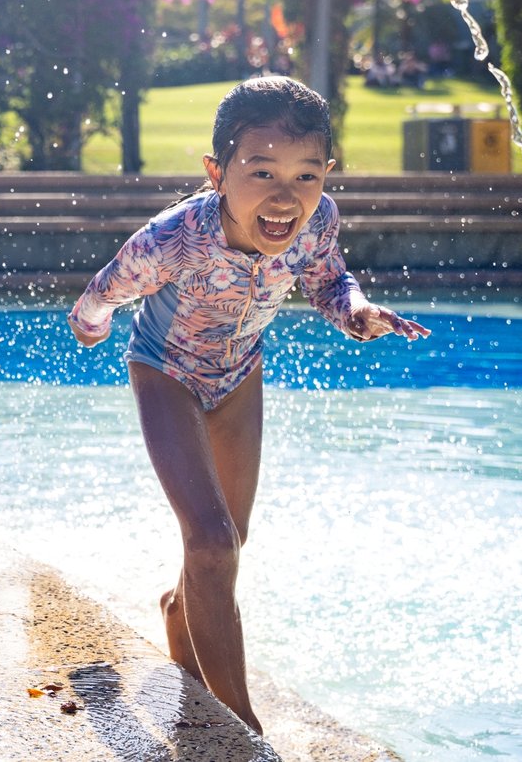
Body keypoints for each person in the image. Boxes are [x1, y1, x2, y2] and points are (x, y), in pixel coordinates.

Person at [67, 76, 428, 734]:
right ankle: (242, 731)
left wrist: (356, 311)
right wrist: (90, 321)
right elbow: (107, 287)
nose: (285, 196)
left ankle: (180, 614)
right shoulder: (176, 237)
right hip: (167, 373)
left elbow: (327, 280)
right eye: (261, 171)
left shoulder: (316, 222)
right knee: (210, 540)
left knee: (228, 540)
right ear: (217, 172)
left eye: (306, 174)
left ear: (327, 174)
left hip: (238, 379)